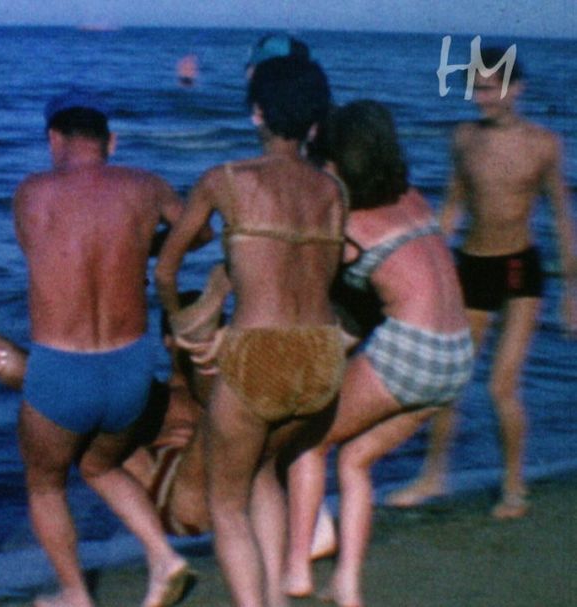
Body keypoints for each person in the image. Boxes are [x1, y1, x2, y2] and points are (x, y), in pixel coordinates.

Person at [155, 56, 344, 607]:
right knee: (264, 472)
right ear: (314, 121)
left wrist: (186, 329)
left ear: (256, 112)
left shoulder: (226, 180)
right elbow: (323, 274)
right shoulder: (333, 191)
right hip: (322, 355)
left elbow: (166, 269)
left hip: (260, 352)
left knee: (226, 503)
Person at [0, 289, 338, 558]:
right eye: (195, 334)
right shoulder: (154, 398)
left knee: (259, 396)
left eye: (217, 329)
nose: (210, 341)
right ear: (169, 341)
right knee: (73, 391)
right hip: (178, 500)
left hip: (228, 486)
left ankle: (301, 510)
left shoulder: (219, 394)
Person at [13, 89, 209, 607]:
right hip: (130, 368)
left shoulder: (32, 192)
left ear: (54, 139)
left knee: (45, 484)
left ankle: (75, 595)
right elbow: (202, 234)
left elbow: (42, 252)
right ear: (111, 142)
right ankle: (163, 558)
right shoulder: (147, 186)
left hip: (62, 368)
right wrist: (147, 245)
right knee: (100, 465)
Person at [281, 100, 474, 607]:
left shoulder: (350, 225)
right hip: (458, 356)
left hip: (412, 351)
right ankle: (347, 585)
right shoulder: (413, 198)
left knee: (307, 440)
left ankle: (297, 567)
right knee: (355, 459)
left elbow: (306, 282)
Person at [386, 48, 577, 519]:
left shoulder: (544, 144)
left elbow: (561, 217)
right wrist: (428, 264)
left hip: (518, 269)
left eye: (489, 89)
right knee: (450, 380)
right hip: (470, 265)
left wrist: (571, 291)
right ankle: (434, 476)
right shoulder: (464, 137)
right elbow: (452, 206)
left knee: (500, 387)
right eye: (475, 89)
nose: (480, 99)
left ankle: (514, 486)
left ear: (516, 89)